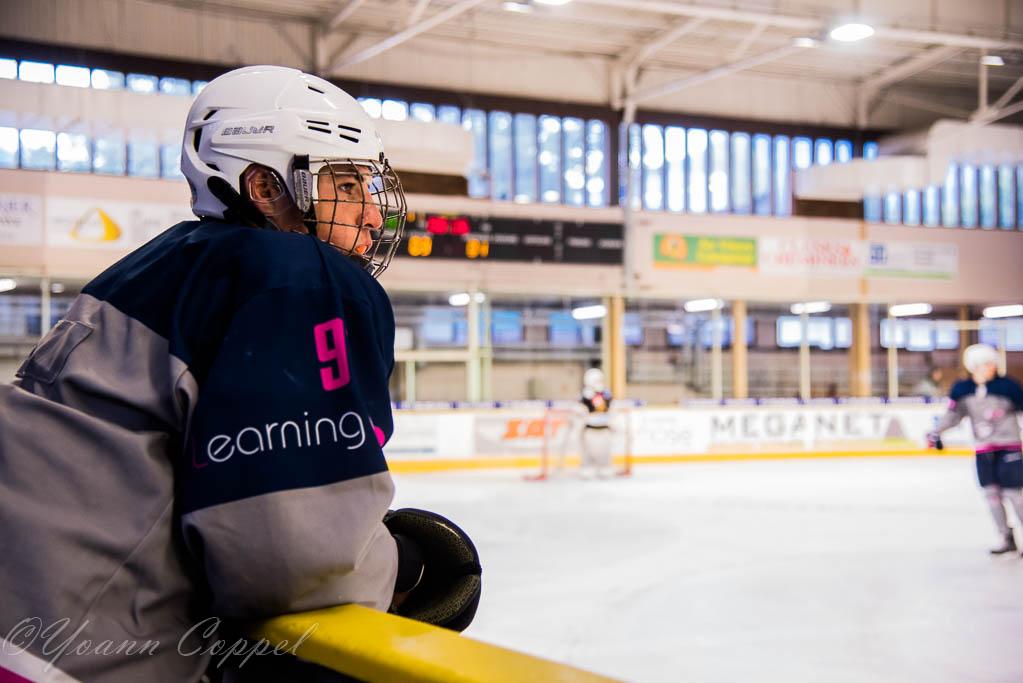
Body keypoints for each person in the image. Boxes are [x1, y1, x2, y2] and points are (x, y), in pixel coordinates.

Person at [0, 66, 481, 683]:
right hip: (63, 657)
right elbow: (294, 565)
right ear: (264, 185)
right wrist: (406, 570)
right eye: (347, 185)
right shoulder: (297, 277)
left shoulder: (148, 268)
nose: (372, 217)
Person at [928, 343, 1023, 556]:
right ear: (972, 366)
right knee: (991, 495)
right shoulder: (963, 389)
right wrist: (937, 431)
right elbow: (953, 415)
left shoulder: (1008, 386)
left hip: (1009, 447)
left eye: (991, 363)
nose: (989, 368)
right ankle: (1006, 537)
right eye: (983, 364)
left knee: (1014, 495)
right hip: (983, 449)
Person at [579, 367, 614, 478]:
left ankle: (605, 467)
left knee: (605, 451)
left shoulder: (606, 393)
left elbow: (608, 407)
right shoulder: (586, 395)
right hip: (590, 428)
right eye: (596, 380)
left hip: (604, 428)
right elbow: (583, 409)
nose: (599, 383)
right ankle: (587, 468)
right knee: (588, 451)